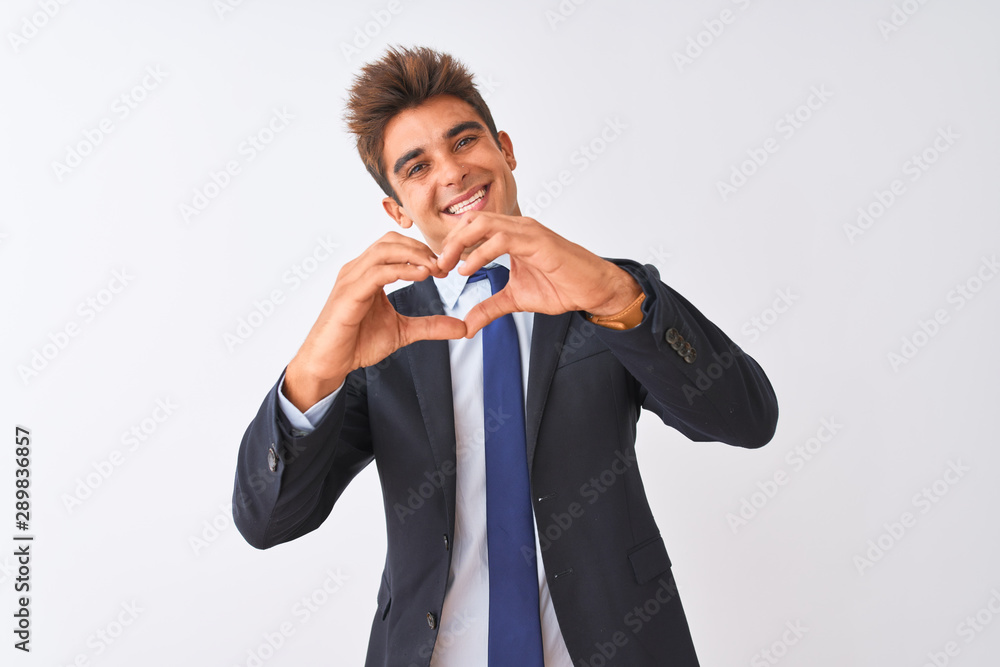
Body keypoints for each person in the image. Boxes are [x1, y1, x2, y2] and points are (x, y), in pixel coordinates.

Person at [232, 45, 778, 667]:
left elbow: (747, 419)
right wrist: (315, 370)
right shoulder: (382, 334)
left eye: (464, 142)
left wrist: (614, 294)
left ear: (506, 150)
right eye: (416, 168)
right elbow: (267, 521)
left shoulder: (603, 292)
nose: (451, 173)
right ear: (396, 210)